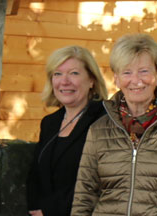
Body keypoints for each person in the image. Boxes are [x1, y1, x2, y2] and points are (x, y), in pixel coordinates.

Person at [72, 34, 157, 215]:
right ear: (116, 78)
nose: (136, 80)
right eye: (127, 72)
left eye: (144, 71)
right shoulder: (98, 130)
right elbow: (84, 196)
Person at [26, 46, 109, 216]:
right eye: (57, 74)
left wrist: (50, 211)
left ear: (92, 80)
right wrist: (35, 209)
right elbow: (35, 175)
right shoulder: (50, 123)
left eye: (74, 73)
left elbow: (102, 180)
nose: (64, 81)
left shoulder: (105, 120)